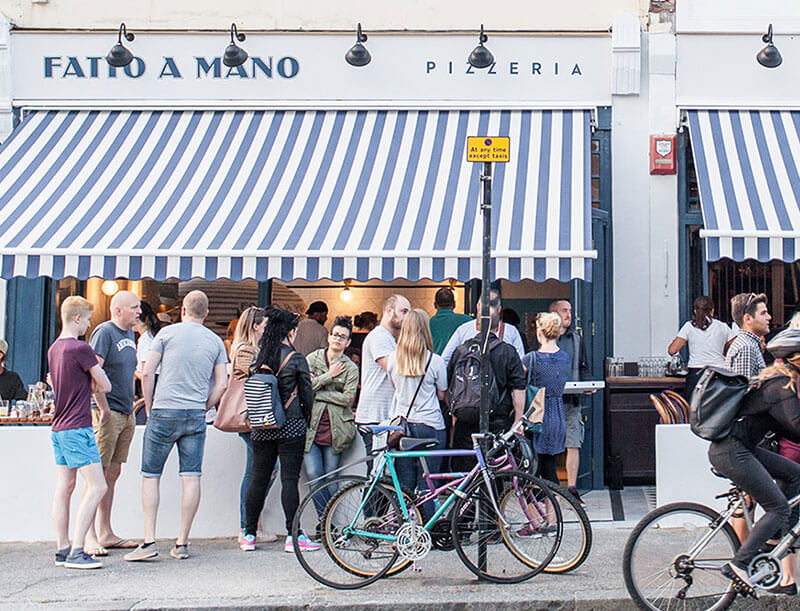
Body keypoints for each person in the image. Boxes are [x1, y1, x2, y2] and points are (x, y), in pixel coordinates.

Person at [124, 290, 228, 562]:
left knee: (151, 475)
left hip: (163, 410)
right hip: (194, 413)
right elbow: (222, 384)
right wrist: (204, 406)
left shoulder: (166, 335)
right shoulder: (215, 341)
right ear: (206, 313)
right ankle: (182, 542)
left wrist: (149, 406)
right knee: (191, 476)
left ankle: (149, 541)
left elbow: (147, 372)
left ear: (183, 310)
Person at [707, 328, 800, 597]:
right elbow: (797, 427)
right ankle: (739, 565)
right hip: (731, 451)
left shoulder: (782, 383)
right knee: (778, 507)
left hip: (740, 448)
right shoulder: (781, 387)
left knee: (796, 475)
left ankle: (776, 538)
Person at [241, 308, 316, 554]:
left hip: (262, 425)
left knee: (258, 479)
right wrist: (306, 419)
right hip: (290, 425)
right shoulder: (295, 358)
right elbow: (307, 394)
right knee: (289, 480)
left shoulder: (259, 357)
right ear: (290, 331)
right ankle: (293, 536)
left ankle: (249, 534)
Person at [48, 296, 111, 569]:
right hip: (78, 426)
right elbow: (105, 385)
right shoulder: (81, 348)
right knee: (98, 486)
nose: (88, 324)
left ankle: (62, 547)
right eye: (86, 319)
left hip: (59, 426)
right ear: (76, 318)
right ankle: (77, 550)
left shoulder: (54, 349)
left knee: (65, 487)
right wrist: (93, 380)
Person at [84, 290, 141, 557]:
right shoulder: (104, 333)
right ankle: (89, 535)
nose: (139, 312)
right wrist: (103, 408)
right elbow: (93, 373)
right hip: (108, 412)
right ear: (117, 310)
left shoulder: (130, 334)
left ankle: (106, 531)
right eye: (134, 307)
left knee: (113, 472)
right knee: (96, 473)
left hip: (126, 411)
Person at [447, 292, 526, 471]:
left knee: (466, 475)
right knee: (494, 473)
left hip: (465, 422)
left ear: (476, 325)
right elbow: (519, 388)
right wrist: (517, 420)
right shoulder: (508, 352)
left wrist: (455, 415)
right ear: (499, 326)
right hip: (497, 422)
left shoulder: (461, 350)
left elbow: (450, 385)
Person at [388, 309, 448, 518]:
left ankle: (405, 526)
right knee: (428, 483)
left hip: (402, 428)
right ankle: (427, 528)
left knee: (405, 483)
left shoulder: (393, 359)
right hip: (430, 425)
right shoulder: (436, 361)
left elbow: (395, 387)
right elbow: (442, 394)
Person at [226, 307, 278, 546]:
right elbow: (252, 378)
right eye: (265, 325)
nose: (267, 330)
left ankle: (252, 525)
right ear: (256, 326)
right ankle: (247, 526)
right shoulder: (246, 350)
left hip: (254, 417)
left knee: (256, 471)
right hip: (250, 417)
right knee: (263, 470)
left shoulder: (247, 348)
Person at [303, 316, 359, 517]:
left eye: (342, 337)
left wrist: (319, 391)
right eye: (335, 335)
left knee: (331, 477)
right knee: (314, 474)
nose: (337, 339)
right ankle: (324, 520)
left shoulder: (351, 368)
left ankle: (327, 523)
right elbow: (305, 388)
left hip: (337, 430)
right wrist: (330, 376)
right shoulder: (312, 359)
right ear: (328, 337)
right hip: (311, 428)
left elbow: (347, 399)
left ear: (348, 342)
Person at [355, 295, 411, 460]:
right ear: (389, 310)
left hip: (380, 415)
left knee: (381, 468)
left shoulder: (388, 338)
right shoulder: (379, 337)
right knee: (377, 469)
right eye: (403, 311)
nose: (407, 317)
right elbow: (394, 371)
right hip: (375, 416)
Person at [547, 300, 593, 503]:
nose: (569, 315)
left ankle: (572, 488)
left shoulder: (576, 339)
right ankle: (552, 486)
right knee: (550, 445)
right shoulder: (543, 337)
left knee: (573, 442)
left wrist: (588, 384)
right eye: (564, 311)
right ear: (554, 314)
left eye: (570, 311)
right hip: (549, 401)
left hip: (571, 400)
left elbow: (583, 366)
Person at [523, 312, 572, 486]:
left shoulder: (531, 359)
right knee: (550, 470)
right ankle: (554, 504)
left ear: (539, 333)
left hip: (536, 417)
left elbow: (517, 382)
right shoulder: (565, 358)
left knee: (533, 474)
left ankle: (537, 505)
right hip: (556, 416)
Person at [668, 296, 736, 399]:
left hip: (696, 374)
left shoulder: (689, 327)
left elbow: (672, 350)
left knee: (693, 405)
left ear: (695, 311)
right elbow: (734, 346)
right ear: (712, 311)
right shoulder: (722, 326)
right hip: (719, 373)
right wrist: (723, 349)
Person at [441, 289, 525, 367]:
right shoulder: (511, 331)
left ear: (478, 307)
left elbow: (445, 360)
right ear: (499, 309)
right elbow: (521, 364)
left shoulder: (463, 330)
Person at [726, 293, 771, 379]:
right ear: (748, 319)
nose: (769, 317)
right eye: (763, 313)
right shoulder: (747, 347)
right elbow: (743, 386)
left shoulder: (749, 344)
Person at [133, 301, 162, 425]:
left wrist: (133, 371)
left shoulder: (146, 340)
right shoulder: (151, 337)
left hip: (150, 391)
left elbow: (147, 373)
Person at [429, 287, 471, 355]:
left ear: (435, 305)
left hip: (434, 360)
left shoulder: (427, 324)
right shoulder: (467, 320)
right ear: (454, 304)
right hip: (458, 361)